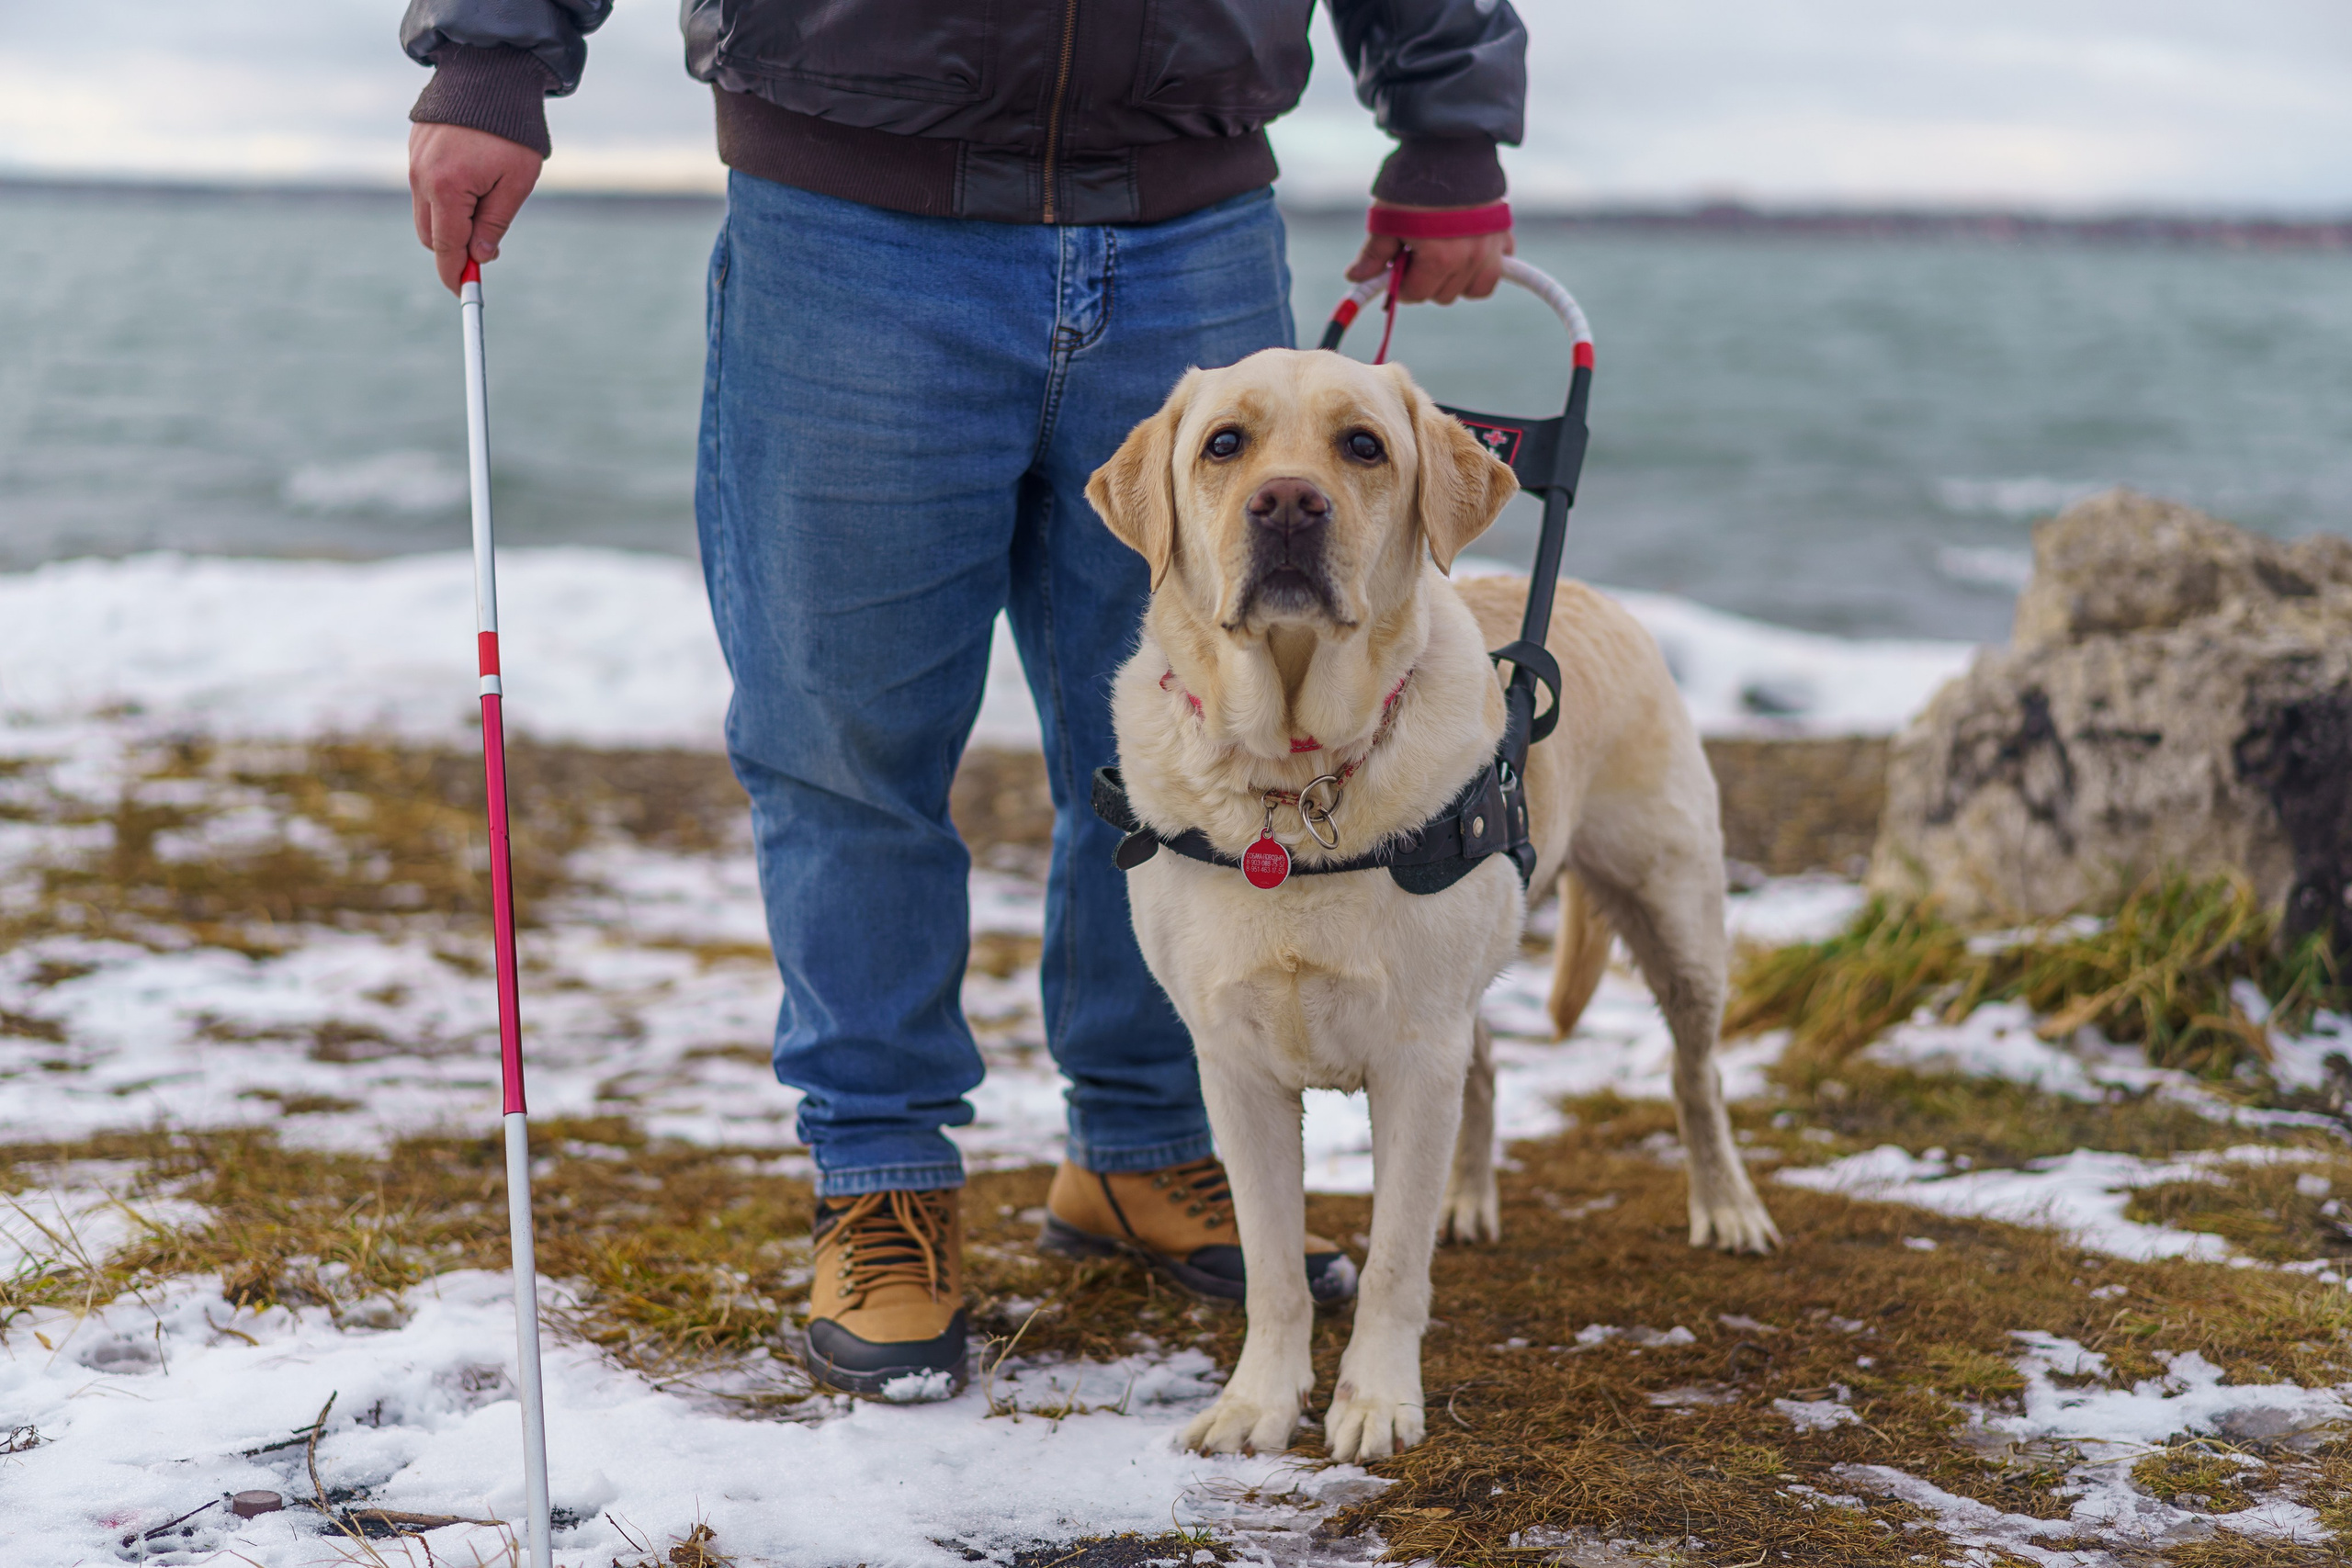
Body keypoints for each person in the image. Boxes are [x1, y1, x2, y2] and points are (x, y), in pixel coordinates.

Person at [401, 0, 1527, 1397]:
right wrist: (494, 46)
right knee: (841, 743)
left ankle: (1142, 1143)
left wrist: (1450, 105)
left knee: (1195, 746)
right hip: (847, 212)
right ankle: (881, 1181)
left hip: (1190, 205)